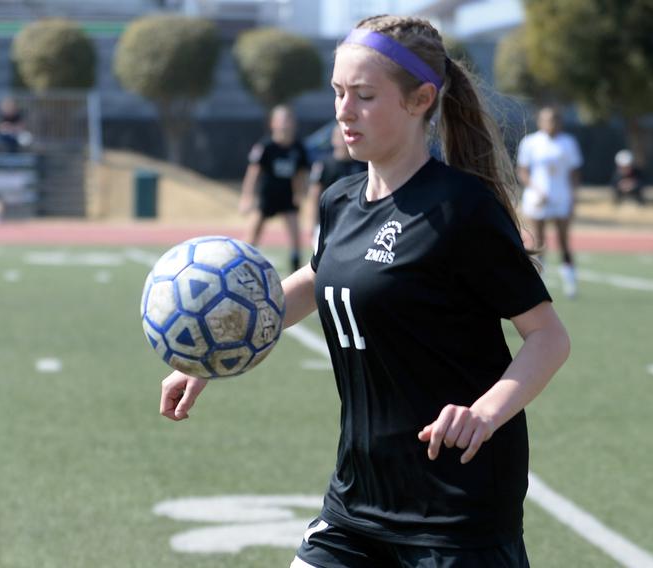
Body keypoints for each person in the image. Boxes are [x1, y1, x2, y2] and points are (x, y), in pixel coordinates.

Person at [160, 15, 571, 567]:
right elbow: (317, 281)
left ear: (421, 99)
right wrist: (212, 350)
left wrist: (484, 413)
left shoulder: (461, 209)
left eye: (365, 95)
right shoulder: (339, 201)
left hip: (457, 513)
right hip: (359, 501)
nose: (343, 111)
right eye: (337, 92)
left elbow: (548, 336)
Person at [516, 106, 583, 298]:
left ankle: (570, 281)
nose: (550, 124)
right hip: (537, 199)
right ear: (539, 122)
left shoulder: (568, 143)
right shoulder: (530, 142)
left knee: (563, 240)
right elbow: (523, 171)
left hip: (561, 197)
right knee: (538, 240)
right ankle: (537, 284)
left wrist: (573, 198)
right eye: (546, 120)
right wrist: (536, 190)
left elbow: (574, 173)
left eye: (554, 120)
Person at [239, 105, 311, 274]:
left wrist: (299, 194)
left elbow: (301, 174)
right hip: (267, 195)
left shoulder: (298, 147)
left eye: (288, 120)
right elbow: (253, 172)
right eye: (281, 120)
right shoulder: (266, 146)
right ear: (273, 124)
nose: (285, 124)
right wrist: (247, 196)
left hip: (286, 196)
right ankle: (240, 264)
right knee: (252, 234)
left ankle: (295, 267)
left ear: (294, 123)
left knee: (295, 234)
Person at [306, 126, 367, 249]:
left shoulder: (362, 165)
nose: (342, 140)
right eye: (339, 136)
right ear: (333, 140)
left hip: (355, 221)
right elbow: (314, 195)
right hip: (329, 222)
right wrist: (312, 223)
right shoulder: (324, 164)